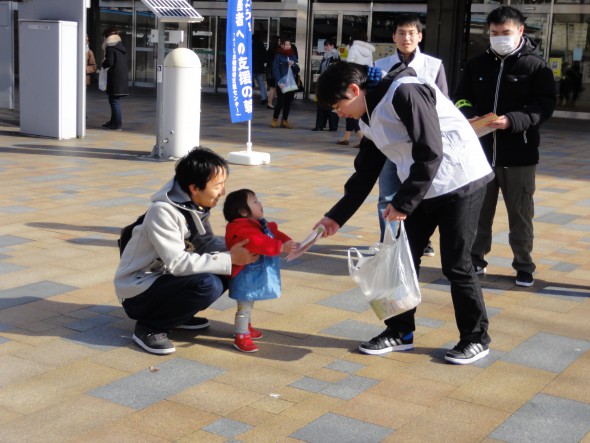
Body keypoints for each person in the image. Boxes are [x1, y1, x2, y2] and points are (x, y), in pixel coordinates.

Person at [315, 61, 494, 365]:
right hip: (421, 185)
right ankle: (400, 331)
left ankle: (476, 337)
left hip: (460, 181)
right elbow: (365, 173)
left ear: (354, 90)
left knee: (457, 264)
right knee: (402, 259)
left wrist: (402, 203)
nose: (337, 112)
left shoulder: (405, 92)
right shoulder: (367, 115)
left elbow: (431, 149)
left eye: (337, 105)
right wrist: (336, 216)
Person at [114, 147, 258, 355]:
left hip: (163, 281)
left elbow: (206, 243)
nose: (223, 192)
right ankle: (151, 327)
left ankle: (178, 315)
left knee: (227, 272)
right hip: (138, 293)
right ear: (194, 188)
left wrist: (243, 248)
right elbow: (178, 263)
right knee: (207, 284)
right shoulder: (162, 212)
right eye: (218, 185)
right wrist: (230, 258)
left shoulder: (194, 206)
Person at [454, 6, 556, 287]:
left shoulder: (536, 66)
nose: (500, 38)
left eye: (506, 33)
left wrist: (512, 121)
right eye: (494, 33)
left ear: (520, 31)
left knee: (521, 215)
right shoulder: (476, 64)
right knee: (478, 213)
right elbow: (461, 97)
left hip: (519, 155)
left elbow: (544, 106)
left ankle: (524, 264)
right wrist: (468, 114)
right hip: (480, 154)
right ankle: (476, 257)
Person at [373, 13, 449, 255]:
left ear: (420, 36)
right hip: (391, 143)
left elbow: (443, 103)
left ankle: (420, 239)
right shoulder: (379, 67)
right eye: (401, 33)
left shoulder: (433, 65)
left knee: (419, 192)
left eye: (411, 33)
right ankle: (388, 241)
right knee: (387, 194)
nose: (406, 37)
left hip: (421, 143)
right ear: (394, 36)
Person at [223, 189, 298, 352]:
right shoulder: (241, 227)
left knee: (249, 302)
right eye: (255, 201)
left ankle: (246, 328)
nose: (260, 204)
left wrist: (287, 241)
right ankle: (241, 334)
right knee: (244, 306)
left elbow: (274, 232)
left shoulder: (258, 224)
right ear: (243, 211)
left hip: (252, 275)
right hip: (244, 276)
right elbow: (259, 241)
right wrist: (280, 247)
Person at [338, 29, 374, 147]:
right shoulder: (369, 50)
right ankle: (346, 137)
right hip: (364, 81)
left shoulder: (354, 48)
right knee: (356, 110)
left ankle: (361, 137)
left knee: (349, 109)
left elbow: (350, 64)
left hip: (353, 80)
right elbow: (370, 66)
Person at [101, 27, 129, 130]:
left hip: (115, 78)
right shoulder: (120, 46)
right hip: (121, 78)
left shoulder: (110, 48)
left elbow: (110, 62)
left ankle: (117, 124)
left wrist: (103, 64)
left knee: (114, 101)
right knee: (114, 100)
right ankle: (113, 121)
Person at [312, 38, 340, 131]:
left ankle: (333, 126)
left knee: (331, 106)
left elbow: (336, 71)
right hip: (323, 84)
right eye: (325, 45)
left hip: (332, 85)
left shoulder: (336, 56)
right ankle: (319, 125)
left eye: (327, 45)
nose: (326, 47)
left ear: (332, 46)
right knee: (321, 104)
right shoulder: (325, 56)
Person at [271, 37, 300, 129]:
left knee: (288, 103)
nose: (288, 46)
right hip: (281, 83)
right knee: (280, 102)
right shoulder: (278, 56)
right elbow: (275, 69)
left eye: (289, 45)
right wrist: (279, 81)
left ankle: (284, 120)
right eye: (286, 45)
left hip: (291, 83)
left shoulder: (293, 56)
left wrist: (293, 64)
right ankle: (275, 119)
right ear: (282, 45)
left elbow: (297, 69)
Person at [252, 34, 268, 105]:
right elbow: (265, 58)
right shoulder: (262, 47)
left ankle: (247, 98)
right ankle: (264, 98)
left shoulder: (251, 46)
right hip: (260, 68)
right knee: (261, 83)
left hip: (252, 67)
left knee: (249, 83)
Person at [265, 35, 280, 110]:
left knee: (273, 88)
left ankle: (270, 102)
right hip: (273, 71)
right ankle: (270, 103)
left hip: (269, 71)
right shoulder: (275, 50)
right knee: (273, 88)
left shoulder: (269, 49)